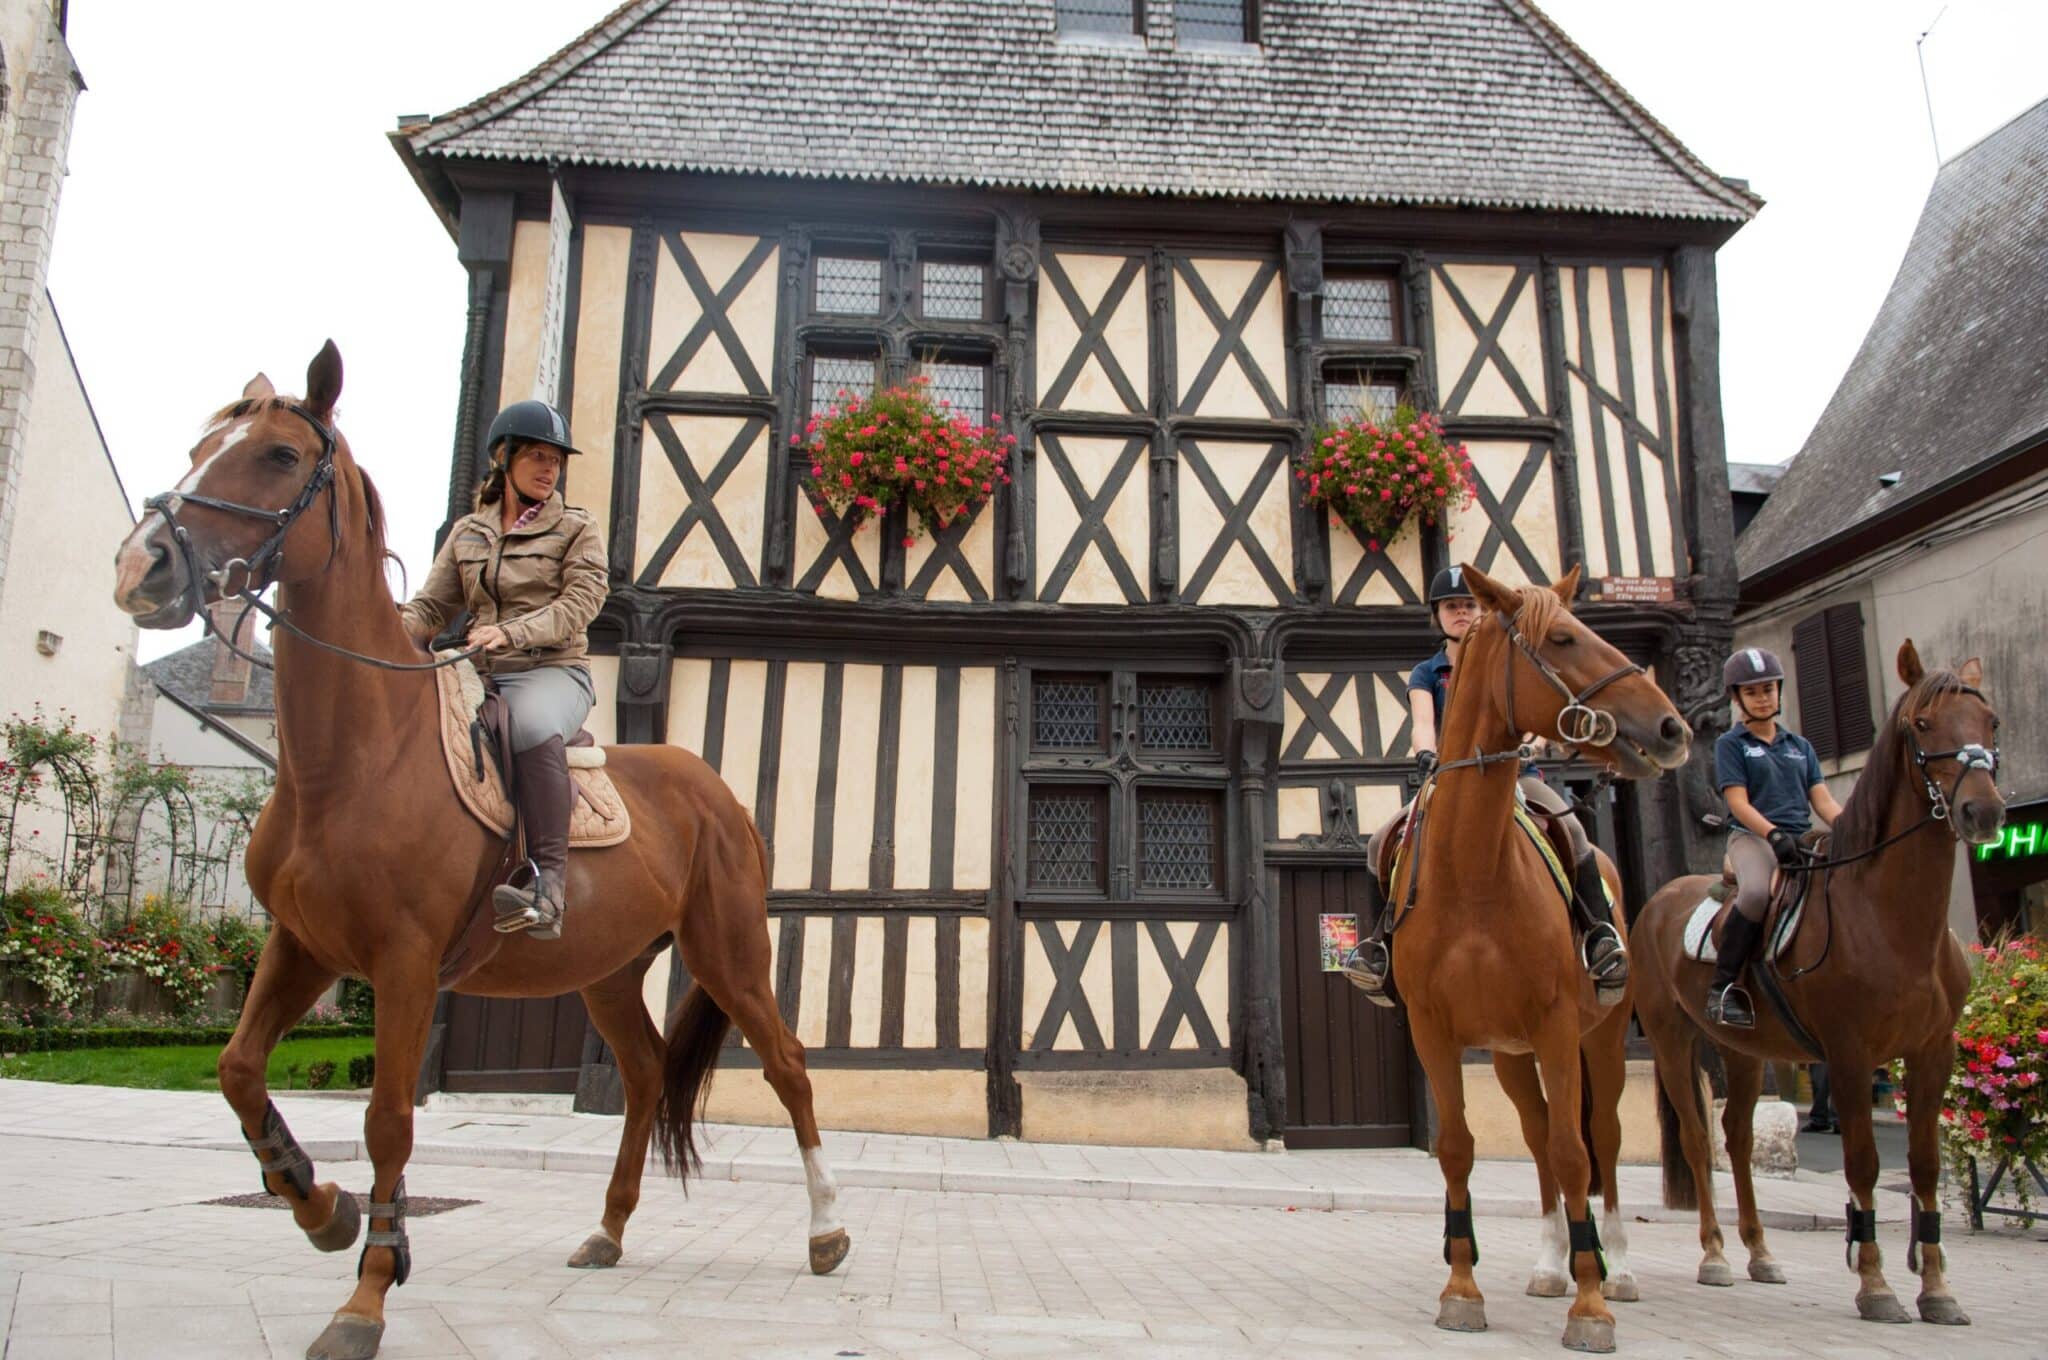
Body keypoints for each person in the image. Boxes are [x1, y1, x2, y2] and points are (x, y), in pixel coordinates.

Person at [1342, 566, 1626, 1003]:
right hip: (1451, 776)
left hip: (1516, 774)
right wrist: (1426, 753)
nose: (1461, 613)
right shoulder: (1427, 672)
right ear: (1437, 616)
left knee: (1572, 831)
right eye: (1451, 607)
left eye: (1469, 605)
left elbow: (1533, 713)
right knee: (1381, 840)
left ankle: (1599, 934)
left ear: (1483, 611)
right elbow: (1423, 722)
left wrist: (1529, 746)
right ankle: (1380, 949)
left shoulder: (1508, 659)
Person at [400, 400, 608, 940]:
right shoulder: (468, 533)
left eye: (556, 460)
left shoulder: (578, 529)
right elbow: (431, 608)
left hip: (553, 672)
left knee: (530, 724)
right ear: (504, 458)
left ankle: (548, 886)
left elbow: (579, 605)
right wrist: (386, 630)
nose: (549, 469)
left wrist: (511, 632)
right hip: (478, 671)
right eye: (537, 456)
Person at [1706, 647, 1842, 1027]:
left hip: (1802, 837)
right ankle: (1723, 988)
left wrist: (1853, 825)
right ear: (1737, 698)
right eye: (1751, 692)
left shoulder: (1801, 747)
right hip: (1753, 838)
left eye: (1767, 689)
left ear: (1779, 690)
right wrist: (1773, 833)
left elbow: (1823, 801)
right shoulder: (1731, 744)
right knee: (1754, 894)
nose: (1762, 698)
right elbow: (1738, 802)